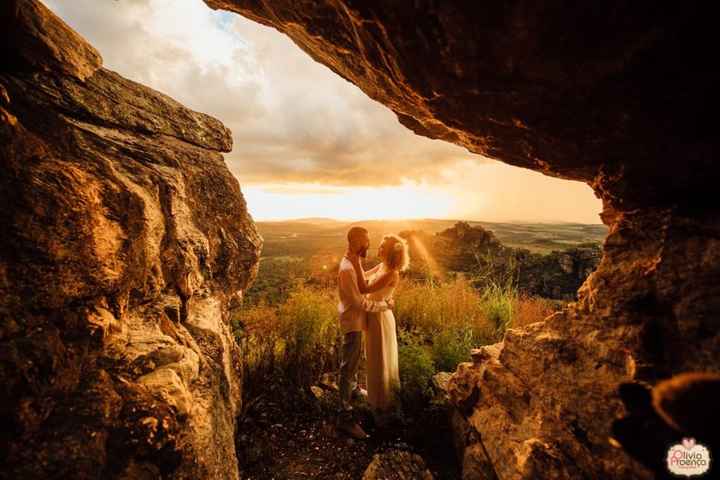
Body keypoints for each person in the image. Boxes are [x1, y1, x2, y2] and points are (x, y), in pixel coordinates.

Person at [336, 226, 394, 439]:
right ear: (355, 242)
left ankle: (353, 391)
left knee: (353, 361)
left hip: (357, 321)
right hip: (352, 321)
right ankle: (345, 418)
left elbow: (365, 284)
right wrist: (384, 305)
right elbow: (360, 301)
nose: (369, 245)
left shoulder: (354, 261)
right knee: (348, 367)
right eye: (366, 241)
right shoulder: (347, 268)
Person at [349, 234, 408, 427]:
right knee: (373, 357)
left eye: (383, 247)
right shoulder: (382, 266)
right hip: (374, 315)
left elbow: (365, 288)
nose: (379, 249)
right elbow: (364, 277)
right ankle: (375, 397)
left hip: (380, 320)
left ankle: (382, 405)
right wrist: (355, 265)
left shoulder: (392, 273)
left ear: (391, 252)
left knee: (380, 358)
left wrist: (356, 259)